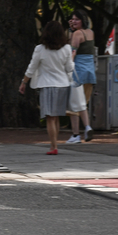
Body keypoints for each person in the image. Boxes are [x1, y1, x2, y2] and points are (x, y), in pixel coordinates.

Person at [19, 21, 74, 155]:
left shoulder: (40, 49)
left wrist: (24, 82)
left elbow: (32, 67)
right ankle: (55, 145)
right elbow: (69, 68)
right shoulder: (66, 48)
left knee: (50, 117)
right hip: (62, 85)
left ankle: (53, 146)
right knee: (56, 117)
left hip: (47, 85)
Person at [66, 9, 95, 143]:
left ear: (82, 20)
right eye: (72, 19)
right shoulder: (90, 33)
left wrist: (68, 67)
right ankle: (87, 127)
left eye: (76, 19)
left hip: (78, 72)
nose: (74, 21)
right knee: (84, 104)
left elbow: (73, 52)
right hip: (90, 72)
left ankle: (76, 134)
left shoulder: (77, 33)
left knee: (73, 105)